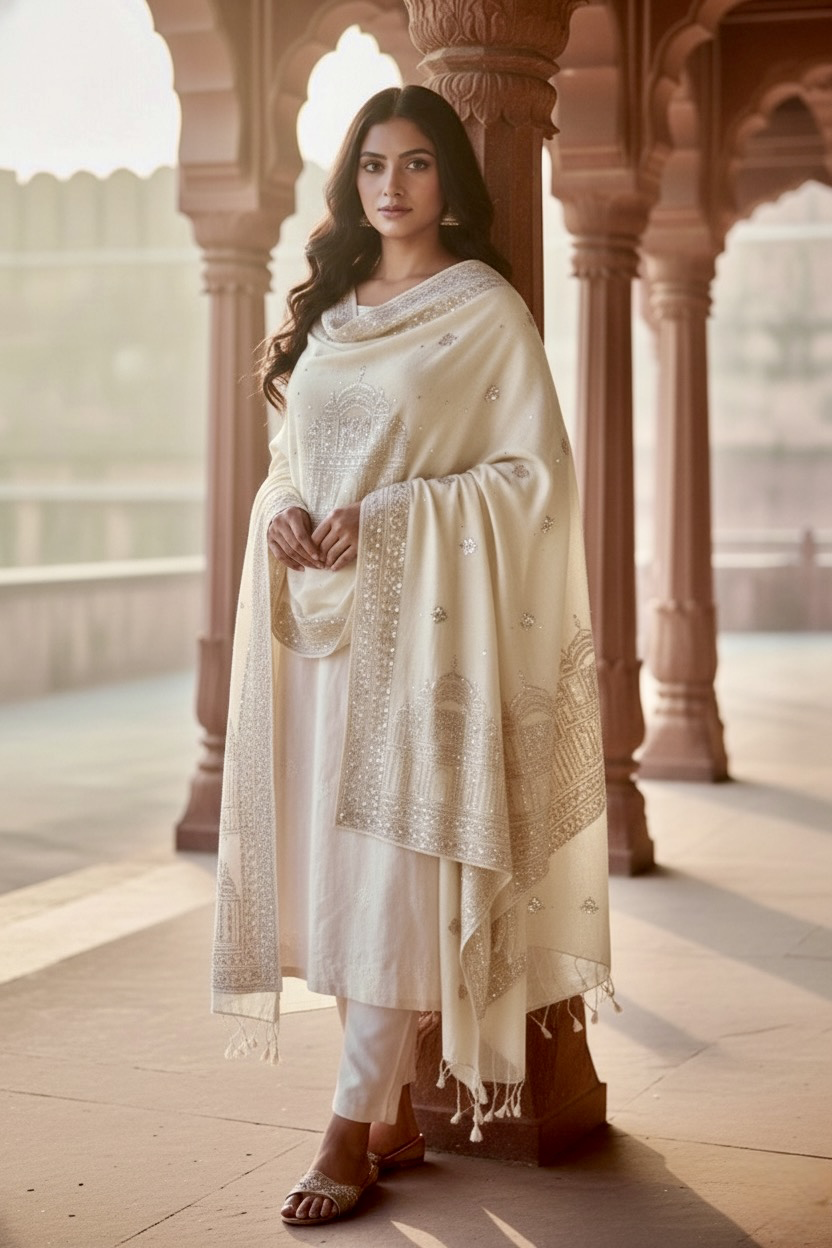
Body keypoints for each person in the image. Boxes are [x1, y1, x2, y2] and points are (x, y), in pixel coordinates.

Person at [211, 84, 614, 1228]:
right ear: (353, 183)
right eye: (374, 165)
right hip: (319, 635)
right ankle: (384, 1107)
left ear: (450, 181)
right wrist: (276, 511)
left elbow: (534, 481)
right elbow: (295, 459)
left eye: (419, 163)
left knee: (393, 874)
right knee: (338, 876)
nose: (392, 186)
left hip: (426, 633)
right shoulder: (332, 312)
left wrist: (392, 520)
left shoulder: (481, 309)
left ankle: (346, 1128)